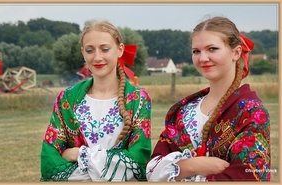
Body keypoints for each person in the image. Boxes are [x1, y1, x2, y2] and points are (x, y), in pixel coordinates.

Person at [146, 15, 270, 182]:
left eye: (212, 49)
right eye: (196, 51)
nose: (203, 58)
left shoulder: (251, 112)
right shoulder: (184, 111)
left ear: (236, 52)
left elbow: (251, 175)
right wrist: (193, 166)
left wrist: (178, 171)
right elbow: (153, 170)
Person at [40, 19, 152, 182]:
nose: (97, 57)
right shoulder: (66, 99)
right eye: (90, 50)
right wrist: (103, 167)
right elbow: (50, 159)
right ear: (83, 53)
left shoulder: (138, 99)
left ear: (120, 50)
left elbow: (137, 158)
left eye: (105, 49)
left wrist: (79, 154)